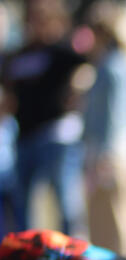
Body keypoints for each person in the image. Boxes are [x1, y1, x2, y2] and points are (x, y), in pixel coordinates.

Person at [2, 0, 90, 237]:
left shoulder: (61, 51)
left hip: (56, 134)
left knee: (66, 200)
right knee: (25, 203)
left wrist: (77, 87)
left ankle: (75, 251)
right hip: (25, 135)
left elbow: (87, 68)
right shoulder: (20, 54)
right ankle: (28, 251)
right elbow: (9, 88)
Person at [82, 1, 126, 258]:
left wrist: (105, 153)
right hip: (115, 148)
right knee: (105, 213)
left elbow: (115, 112)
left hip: (113, 150)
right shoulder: (115, 63)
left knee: (119, 212)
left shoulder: (114, 66)